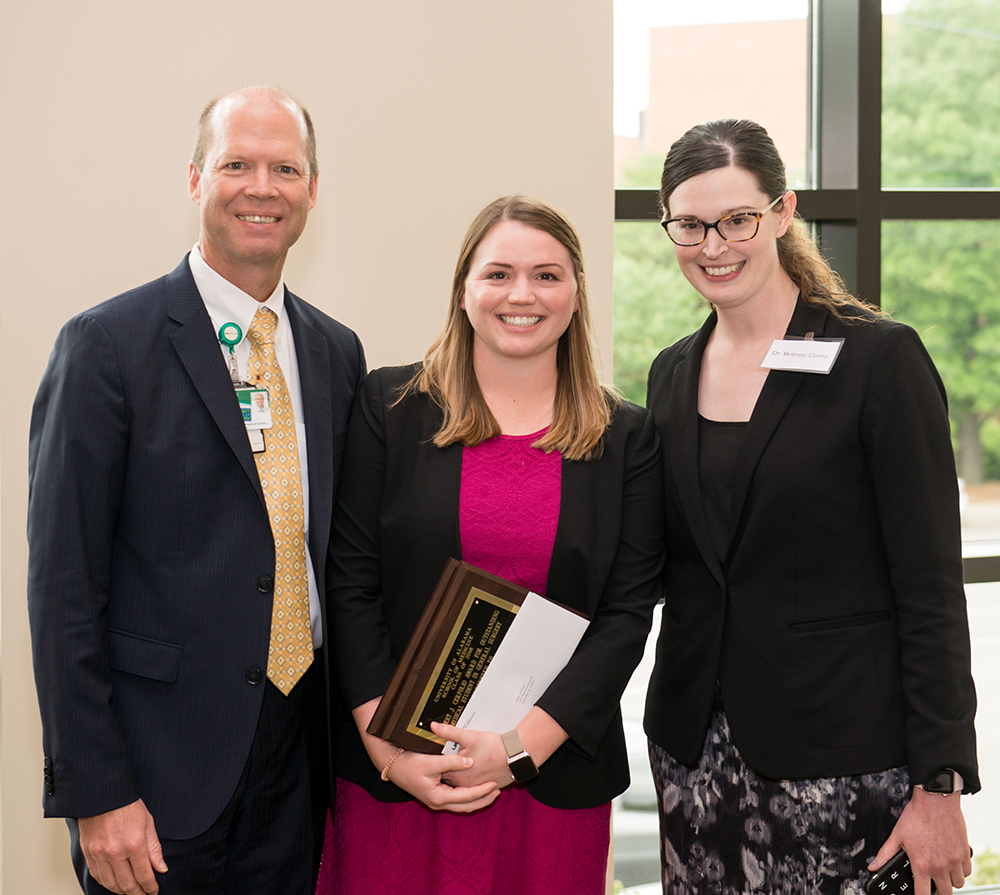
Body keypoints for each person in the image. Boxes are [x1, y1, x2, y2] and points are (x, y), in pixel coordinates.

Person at [27, 86, 365, 895]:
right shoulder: (106, 346)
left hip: (299, 758)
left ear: (312, 189)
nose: (262, 187)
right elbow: (63, 585)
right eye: (237, 164)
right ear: (194, 180)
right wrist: (97, 791)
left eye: (286, 167)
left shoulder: (334, 353)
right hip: (157, 773)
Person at [643, 119, 979, 895]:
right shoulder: (669, 373)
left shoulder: (877, 359)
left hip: (846, 766)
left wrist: (941, 784)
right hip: (696, 763)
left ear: (783, 212)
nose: (713, 244)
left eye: (737, 219)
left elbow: (930, 592)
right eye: (689, 224)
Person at [317, 195, 665, 894]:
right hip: (400, 781)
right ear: (465, 290)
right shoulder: (387, 407)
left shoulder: (627, 436)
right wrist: (389, 753)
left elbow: (626, 615)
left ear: (576, 294)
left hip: (551, 781)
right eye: (498, 273)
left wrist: (517, 749)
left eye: (546, 275)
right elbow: (350, 585)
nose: (522, 294)